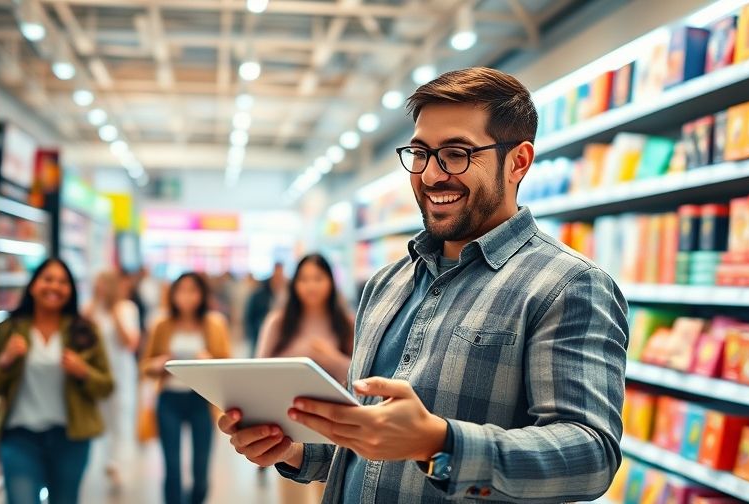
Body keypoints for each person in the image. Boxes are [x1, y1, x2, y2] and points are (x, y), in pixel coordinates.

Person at [218, 67, 629, 503]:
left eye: (456, 154)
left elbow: (591, 456)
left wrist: (438, 443)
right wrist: (297, 451)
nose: (431, 175)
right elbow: (370, 442)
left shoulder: (568, 285)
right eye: (420, 153)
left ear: (518, 162)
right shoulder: (386, 284)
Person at [0, 258, 114, 504]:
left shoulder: (84, 330)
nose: (54, 286)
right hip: (19, 437)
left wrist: (83, 371)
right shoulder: (10, 328)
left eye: (63, 282)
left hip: (71, 439)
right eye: (48, 279)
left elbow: (106, 386)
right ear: (33, 285)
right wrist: (5, 360)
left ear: (71, 290)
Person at [256, 254, 354, 503]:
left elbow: (360, 376)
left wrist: (331, 357)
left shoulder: (346, 323)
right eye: (304, 279)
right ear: (294, 284)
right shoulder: (278, 323)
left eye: (318, 278)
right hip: (287, 424)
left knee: (329, 493)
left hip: (333, 425)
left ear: (331, 282)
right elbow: (259, 371)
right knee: (292, 495)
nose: (311, 285)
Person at [142, 272, 232, 504]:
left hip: (200, 400)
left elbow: (227, 365)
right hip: (169, 399)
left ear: (202, 294)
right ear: (172, 294)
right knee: (172, 467)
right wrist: (160, 363)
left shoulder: (214, 324)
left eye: (193, 290)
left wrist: (208, 360)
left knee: (200, 470)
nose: (187, 297)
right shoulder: (162, 324)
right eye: (181, 290)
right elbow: (145, 366)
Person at [84, 270, 141, 491]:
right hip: (97, 374)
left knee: (121, 420)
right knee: (101, 420)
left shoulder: (127, 309)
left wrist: (115, 315)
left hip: (121, 373)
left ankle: (118, 465)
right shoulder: (91, 309)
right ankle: (107, 461)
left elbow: (130, 343)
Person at [243, 262, 287, 354]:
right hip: (259, 332)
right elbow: (249, 315)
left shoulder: (287, 292)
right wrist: (253, 332)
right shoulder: (259, 293)